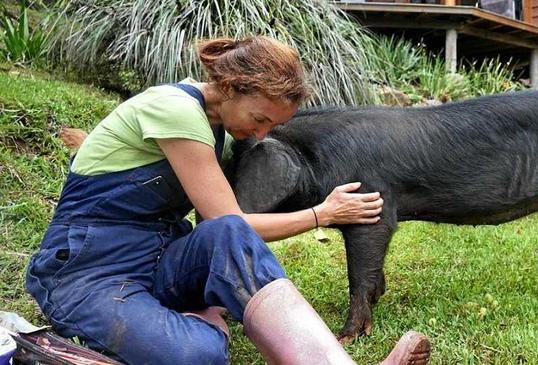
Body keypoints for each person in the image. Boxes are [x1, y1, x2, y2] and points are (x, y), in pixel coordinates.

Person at [26, 36, 431, 365]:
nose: (261, 135)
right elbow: (233, 217)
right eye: (260, 119)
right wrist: (322, 214)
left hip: (157, 261)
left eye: (273, 126)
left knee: (226, 237)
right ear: (232, 88)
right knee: (199, 355)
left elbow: (224, 232)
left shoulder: (216, 127)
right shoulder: (175, 110)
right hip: (89, 274)